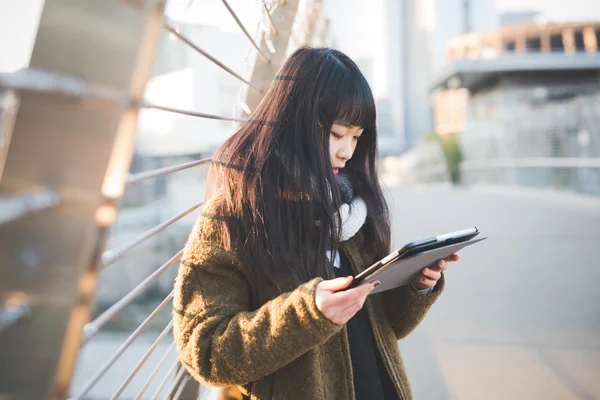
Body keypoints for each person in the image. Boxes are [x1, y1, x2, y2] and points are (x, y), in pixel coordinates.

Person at [173, 47, 458, 400]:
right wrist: (306, 313)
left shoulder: (354, 209)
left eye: (357, 137)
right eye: (338, 134)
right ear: (295, 123)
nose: (348, 152)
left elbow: (385, 330)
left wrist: (416, 286)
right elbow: (205, 351)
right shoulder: (235, 213)